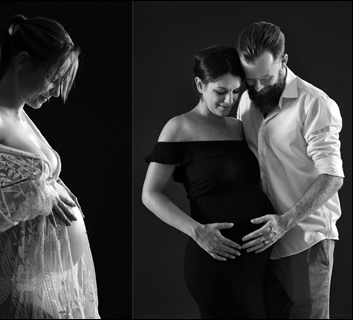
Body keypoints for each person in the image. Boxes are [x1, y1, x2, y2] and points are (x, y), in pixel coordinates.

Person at [0, 14, 99, 319]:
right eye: (53, 78)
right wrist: (42, 195)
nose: (55, 91)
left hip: (49, 284)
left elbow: (29, 179)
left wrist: (54, 191)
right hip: (17, 285)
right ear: (23, 62)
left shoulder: (24, 119)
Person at [142, 44, 276, 319]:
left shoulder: (240, 127)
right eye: (220, 91)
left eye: (236, 91)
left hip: (258, 260)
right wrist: (197, 231)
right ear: (199, 84)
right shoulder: (179, 127)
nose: (229, 100)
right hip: (217, 260)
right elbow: (151, 194)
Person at [236, 21, 344, 319]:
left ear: (284, 61)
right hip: (262, 242)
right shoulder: (245, 100)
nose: (257, 88)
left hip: (305, 239)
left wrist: (286, 221)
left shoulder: (315, 103)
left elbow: (332, 176)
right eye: (250, 79)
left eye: (266, 79)